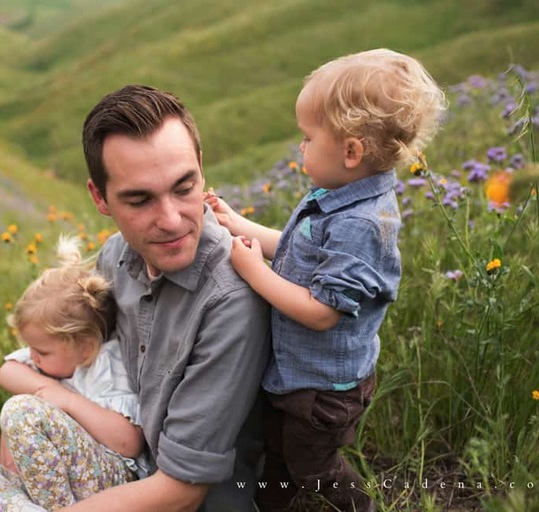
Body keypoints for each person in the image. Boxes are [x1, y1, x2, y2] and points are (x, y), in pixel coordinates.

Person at [205, 49, 447, 511]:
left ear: (351, 152)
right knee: (278, 453)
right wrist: (236, 222)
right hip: (298, 376)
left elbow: (321, 312)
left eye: (308, 137)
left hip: (321, 391)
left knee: (313, 467)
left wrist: (255, 272)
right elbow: (298, 250)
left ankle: (361, 506)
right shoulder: (335, 197)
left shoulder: (362, 224)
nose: (300, 147)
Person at [53, 84, 272, 511]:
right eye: (140, 200)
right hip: (128, 468)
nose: (171, 220)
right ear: (100, 198)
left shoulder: (230, 296)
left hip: (196, 502)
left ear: (201, 169)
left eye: (184, 188)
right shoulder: (117, 255)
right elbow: (66, 354)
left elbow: (183, 493)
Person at [0, 235, 149, 510]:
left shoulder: (105, 365)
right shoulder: (50, 364)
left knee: (21, 410)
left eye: (41, 352)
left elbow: (130, 443)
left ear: (84, 348)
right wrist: (47, 391)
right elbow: (7, 372)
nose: (32, 356)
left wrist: (66, 400)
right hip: (54, 483)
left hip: (110, 481)